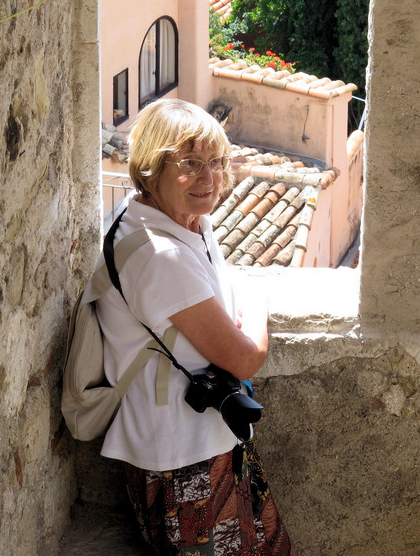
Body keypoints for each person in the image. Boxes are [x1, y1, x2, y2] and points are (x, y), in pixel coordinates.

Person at [94, 98, 295, 555]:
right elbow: (245, 357)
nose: (208, 178)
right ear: (150, 169)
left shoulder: (176, 221)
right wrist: (258, 308)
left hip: (205, 441)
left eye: (216, 162)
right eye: (189, 164)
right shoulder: (160, 255)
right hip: (184, 462)